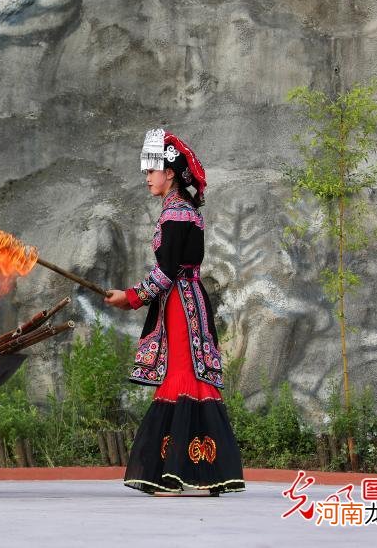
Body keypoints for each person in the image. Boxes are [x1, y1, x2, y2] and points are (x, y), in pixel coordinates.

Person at [104, 128, 244, 495]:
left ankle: (174, 472)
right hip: (188, 300)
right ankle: (197, 471)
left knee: (182, 378)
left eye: (152, 171)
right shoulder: (182, 210)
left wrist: (131, 298)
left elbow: (166, 272)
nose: (147, 178)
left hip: (180, 305)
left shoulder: (176, 214)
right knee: (192, 379)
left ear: (169, 173)